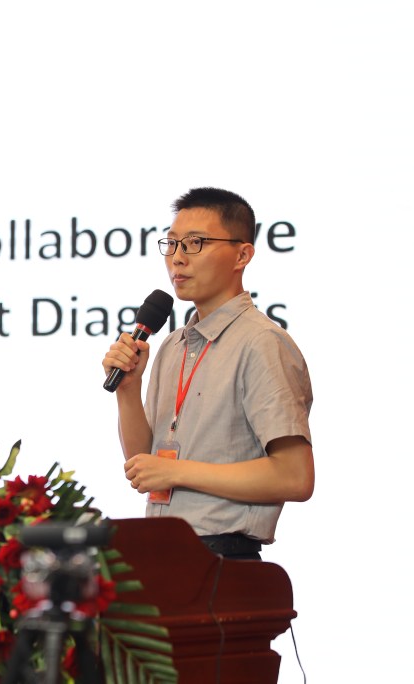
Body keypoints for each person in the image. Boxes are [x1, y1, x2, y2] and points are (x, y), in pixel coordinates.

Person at [101, 187, 314, 560]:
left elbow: (295, 477)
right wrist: (128, 391)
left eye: (195, 243)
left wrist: (178, 472)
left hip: (223, 558)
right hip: (165, 553)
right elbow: (143, 465)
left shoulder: (261, 342)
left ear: (242, 255)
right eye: (172, 243)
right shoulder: (173, 345)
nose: (177, 258)